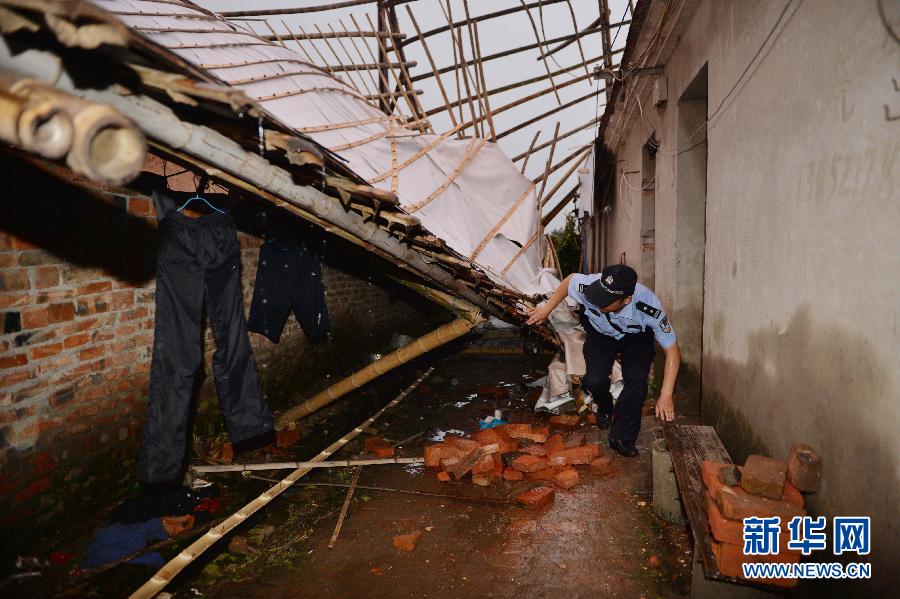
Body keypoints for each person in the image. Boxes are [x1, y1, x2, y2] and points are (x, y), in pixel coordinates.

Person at [526, 264, 680, 457]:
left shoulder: (649, 307)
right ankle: (605, 407)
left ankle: (622, 437)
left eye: (605, 301)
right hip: (600, 333)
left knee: (637, 383)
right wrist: (546, 309)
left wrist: (666, 394)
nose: (597, 302)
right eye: (598, 295)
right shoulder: (589, 286)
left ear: (627, 299)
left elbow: (673, 351)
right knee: (594, 380)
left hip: (636, 338)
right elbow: (569, 280)